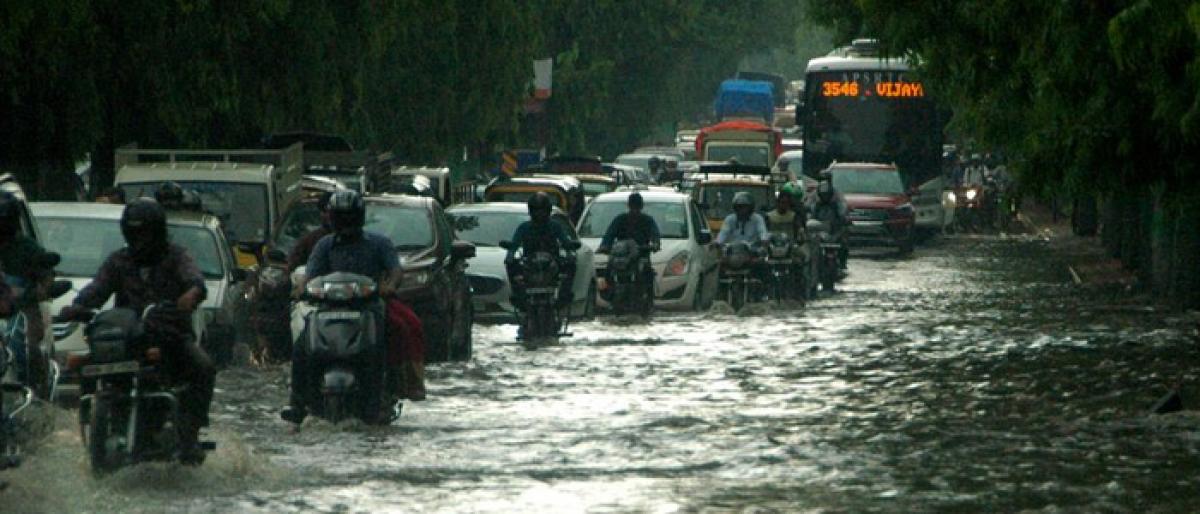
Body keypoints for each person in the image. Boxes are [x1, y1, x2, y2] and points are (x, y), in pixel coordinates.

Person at [59, 199, 213, 463]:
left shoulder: (177, 256)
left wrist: (191, 295)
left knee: (203, 366)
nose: (140, 240)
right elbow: (98, 287)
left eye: (145, 233)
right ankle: (93, 422)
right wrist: (78, 306)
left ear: (158, 231)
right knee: (87, 363)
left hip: (169, 335)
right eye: (134, 233)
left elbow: (194, 280)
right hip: (128, 338)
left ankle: (191, 434)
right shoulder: (119, 260)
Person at [282, 191, 421, 424]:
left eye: (350, 218)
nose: (345, 223)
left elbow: (396, 271)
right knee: (301, 345)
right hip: (327, 308)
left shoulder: (379, 243)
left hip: (369, 306)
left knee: (400, 329)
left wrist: (389, 286)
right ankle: (297, 401)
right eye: (340, 218)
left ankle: (392, 389)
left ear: (360, 218)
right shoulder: (323, 245)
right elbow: (310, 275)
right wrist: (302, 288)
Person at [0, 193, 59, 393]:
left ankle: (33, 392)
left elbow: (46, 278)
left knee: (28, 349)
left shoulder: (28, 248)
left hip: (21, 312)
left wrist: (39, 291)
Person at [505, 192, 577, 310]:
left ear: (548, 211)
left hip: (553, 264)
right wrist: (510, 256)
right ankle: (518, 297)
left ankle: (564, 296)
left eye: (542, 210)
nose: (539, 214)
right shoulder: (524, 228)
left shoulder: (555, 226)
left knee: (571, 265)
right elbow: (514, 244)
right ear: (531, 211)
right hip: (529, 264)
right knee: (510, 265)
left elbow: (565, 242)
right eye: (536, 210)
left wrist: (570, 252)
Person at [806, 171, 851, 270]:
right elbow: (808, 208)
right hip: (819, 227)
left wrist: (844, 217)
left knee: (844, 239)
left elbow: (843, 207)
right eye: (822, 180)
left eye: (826, 180)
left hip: (835, 227)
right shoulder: (814, 195)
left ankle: (843, 262)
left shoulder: (837, 194)